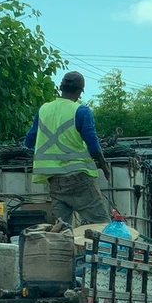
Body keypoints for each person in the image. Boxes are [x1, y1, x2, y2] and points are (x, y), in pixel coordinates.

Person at [24, 71, 112, 226]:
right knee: (101, 224)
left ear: (60, 88)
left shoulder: (43, 110)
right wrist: (104, 166)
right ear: (80, 91)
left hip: (54, 180)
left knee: (61, 229)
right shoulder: (81, 111)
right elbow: (93, 144)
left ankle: (61, 251)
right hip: (79, 177)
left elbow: (29, 142)